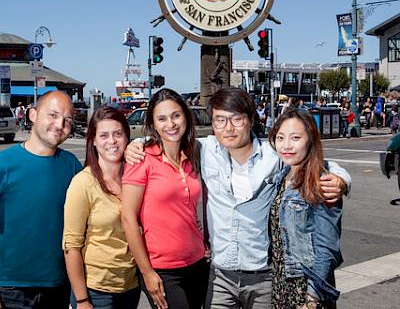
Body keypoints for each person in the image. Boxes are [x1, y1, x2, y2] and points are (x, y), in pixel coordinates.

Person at [126, 87, 350, 309]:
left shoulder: (272, 154)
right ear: (213, 124)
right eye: (220, 120)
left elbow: (313, 161)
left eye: (237, 119)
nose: (229, 128)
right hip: (220, 277)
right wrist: (135, 144)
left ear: (250, 119)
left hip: (264, 277)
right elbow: (168, 136)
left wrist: (342, 179)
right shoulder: (205, 150)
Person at [0, 91, 82, 309]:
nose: (59, 124)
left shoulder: (71, 165)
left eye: (67, 120)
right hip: (12, 288)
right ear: (33, 115)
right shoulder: (0, 164)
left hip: (59, 285)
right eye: (53, 115)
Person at [121, 88, 209, 309]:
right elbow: (128, 217)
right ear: (153, 124)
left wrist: (204, 241)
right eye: (162, 118)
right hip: (162, 268)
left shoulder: (193, 156)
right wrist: (147, 272)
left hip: (197, 263)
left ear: (186, 117)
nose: (170, 124)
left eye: (176, 115)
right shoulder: (141, 158)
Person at [63, 106, 140, 309]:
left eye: (117, 134)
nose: (112, 142)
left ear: (127, 137)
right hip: (96, 290)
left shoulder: (135, 177)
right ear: (94, 141)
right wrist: (82, 300)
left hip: (130, 285)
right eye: (103, 135)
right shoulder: (83, 183)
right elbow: (71, 246)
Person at [268, 108, 343, 308]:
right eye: (281, 137)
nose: (286, 145)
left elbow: (327, 248)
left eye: (295, 138)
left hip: (307, 289)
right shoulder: (281, 177)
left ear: (310, 140)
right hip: (280, 285)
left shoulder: (322, 182)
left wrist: (312, 299)